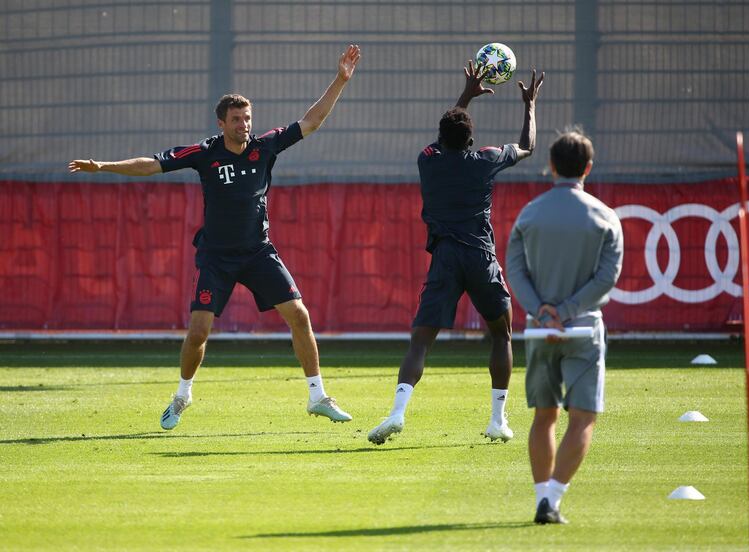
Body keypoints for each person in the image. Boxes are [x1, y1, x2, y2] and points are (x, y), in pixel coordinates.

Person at [69, 44, 362, 431]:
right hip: (217, 258)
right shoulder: (204, 153)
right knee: (199, 331)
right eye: (237, 119)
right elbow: (153, 165)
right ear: (221, 123)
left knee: (299, 315)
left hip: (259, 252)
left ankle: (317, 396)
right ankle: (182, 395)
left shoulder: (264, 146)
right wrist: (104, 166)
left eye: (248, 118)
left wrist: (340, 81)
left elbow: (310, 122)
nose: (245, 124)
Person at [367, 62, 545, 445]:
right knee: (502, 335)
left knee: (420, 342)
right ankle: (498, 420)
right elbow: (528, 146)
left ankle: (397, 413)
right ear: (470, 141)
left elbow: (449, 128)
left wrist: (467, 94)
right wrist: (529, 105)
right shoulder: (485, 161)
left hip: (445, 258)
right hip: (480, 257)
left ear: (441, 138)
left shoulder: (426, 161)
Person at [505, 128, 623, 524]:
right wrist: (569, 309)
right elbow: (607, 277)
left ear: (551, 166)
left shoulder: (529, 214)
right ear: (588, 168)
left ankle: (542, 496)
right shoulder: (606, 218)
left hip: (539, 331)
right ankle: (553, 499)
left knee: (544, 415)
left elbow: (515, 272)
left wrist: (542, 311)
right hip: (584, 330)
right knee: (583, 417)